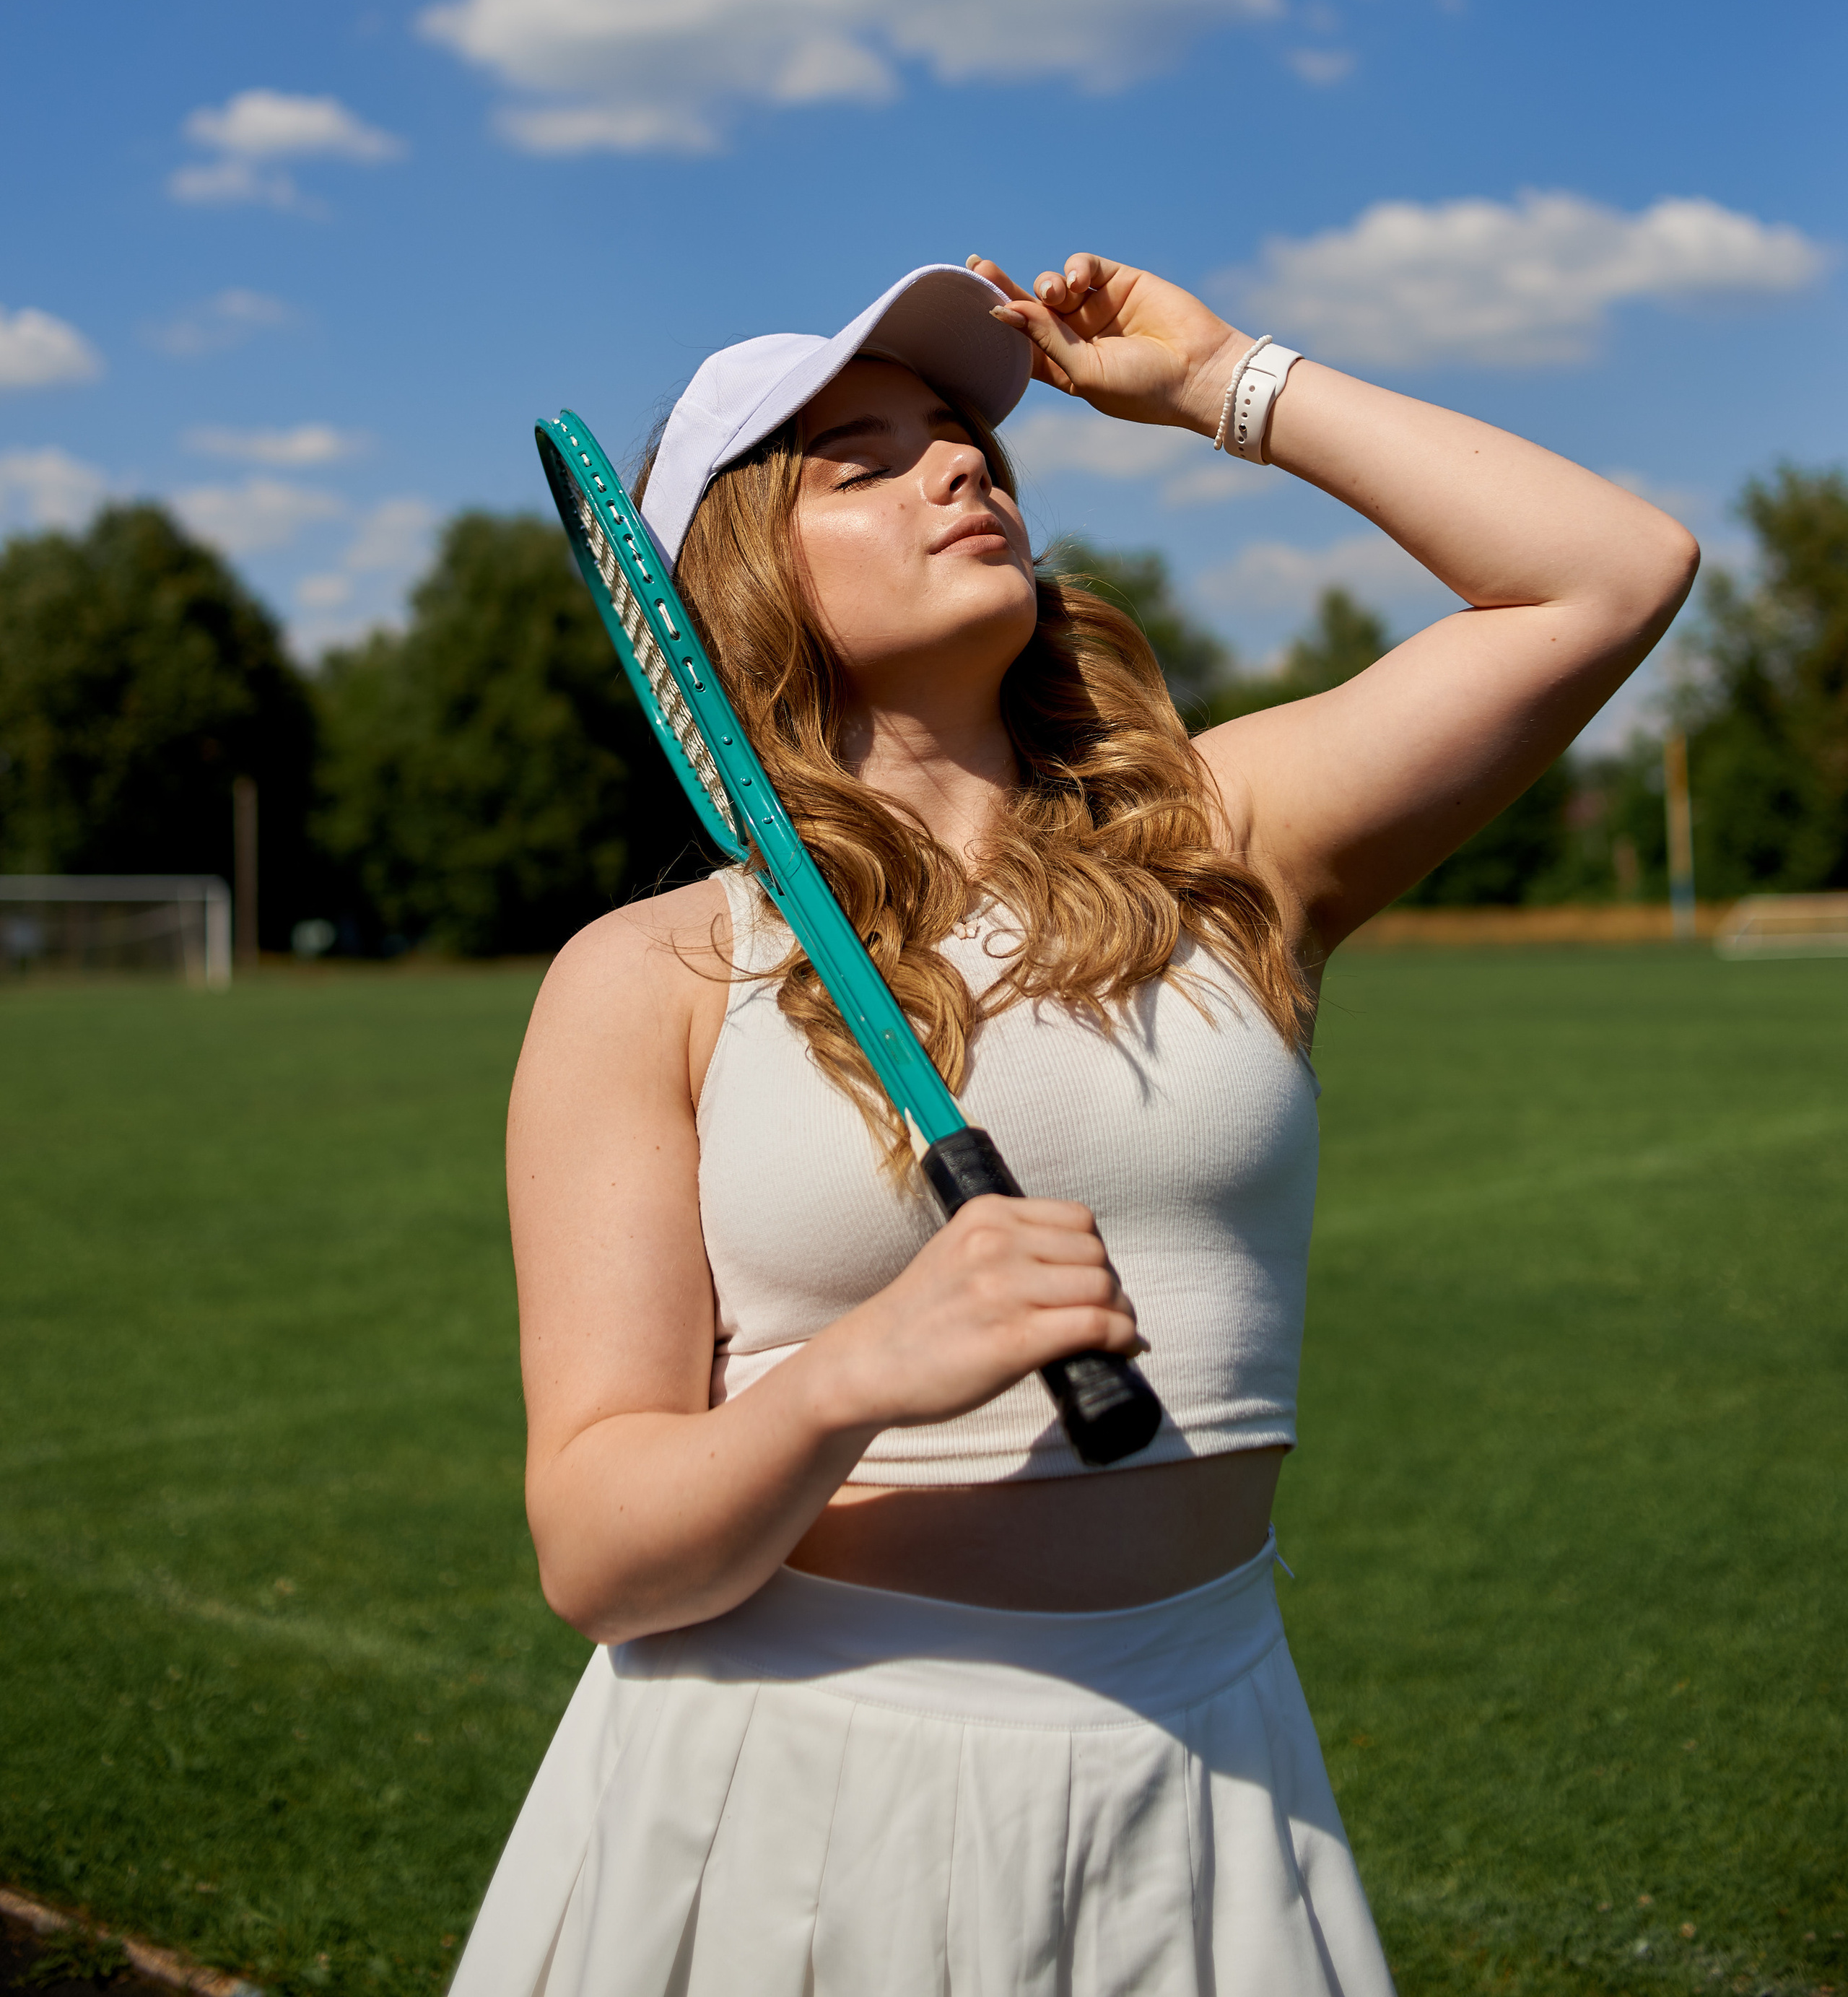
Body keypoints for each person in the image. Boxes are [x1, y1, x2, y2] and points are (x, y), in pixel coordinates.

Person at [450, 254, 1696, 1997]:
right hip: (792, 1794)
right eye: (862, 461)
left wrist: (1221, 382)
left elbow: (1611, 573)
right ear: (736, 585)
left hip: (1207, 1770)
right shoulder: (647, 973)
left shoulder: (1221, 845)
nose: (961, 464)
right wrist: (856, 1376)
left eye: (962, 437)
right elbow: (599, 1552)